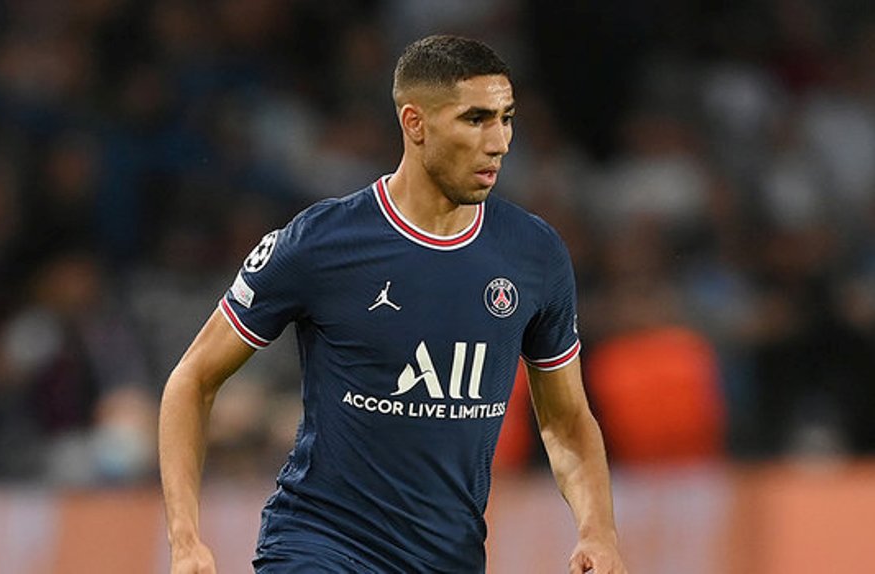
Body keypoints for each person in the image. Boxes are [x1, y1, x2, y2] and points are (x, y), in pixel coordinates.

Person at [159, 35, 626, 574]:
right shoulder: (322, 242)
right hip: (320, 547)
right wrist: (185, 539)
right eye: (475, 119)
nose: (499, 142)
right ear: (414, 123)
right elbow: (192, 379)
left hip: (449, 558)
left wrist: (598, 534)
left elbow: (566, 422)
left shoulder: (535, 254)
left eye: (506, 118)